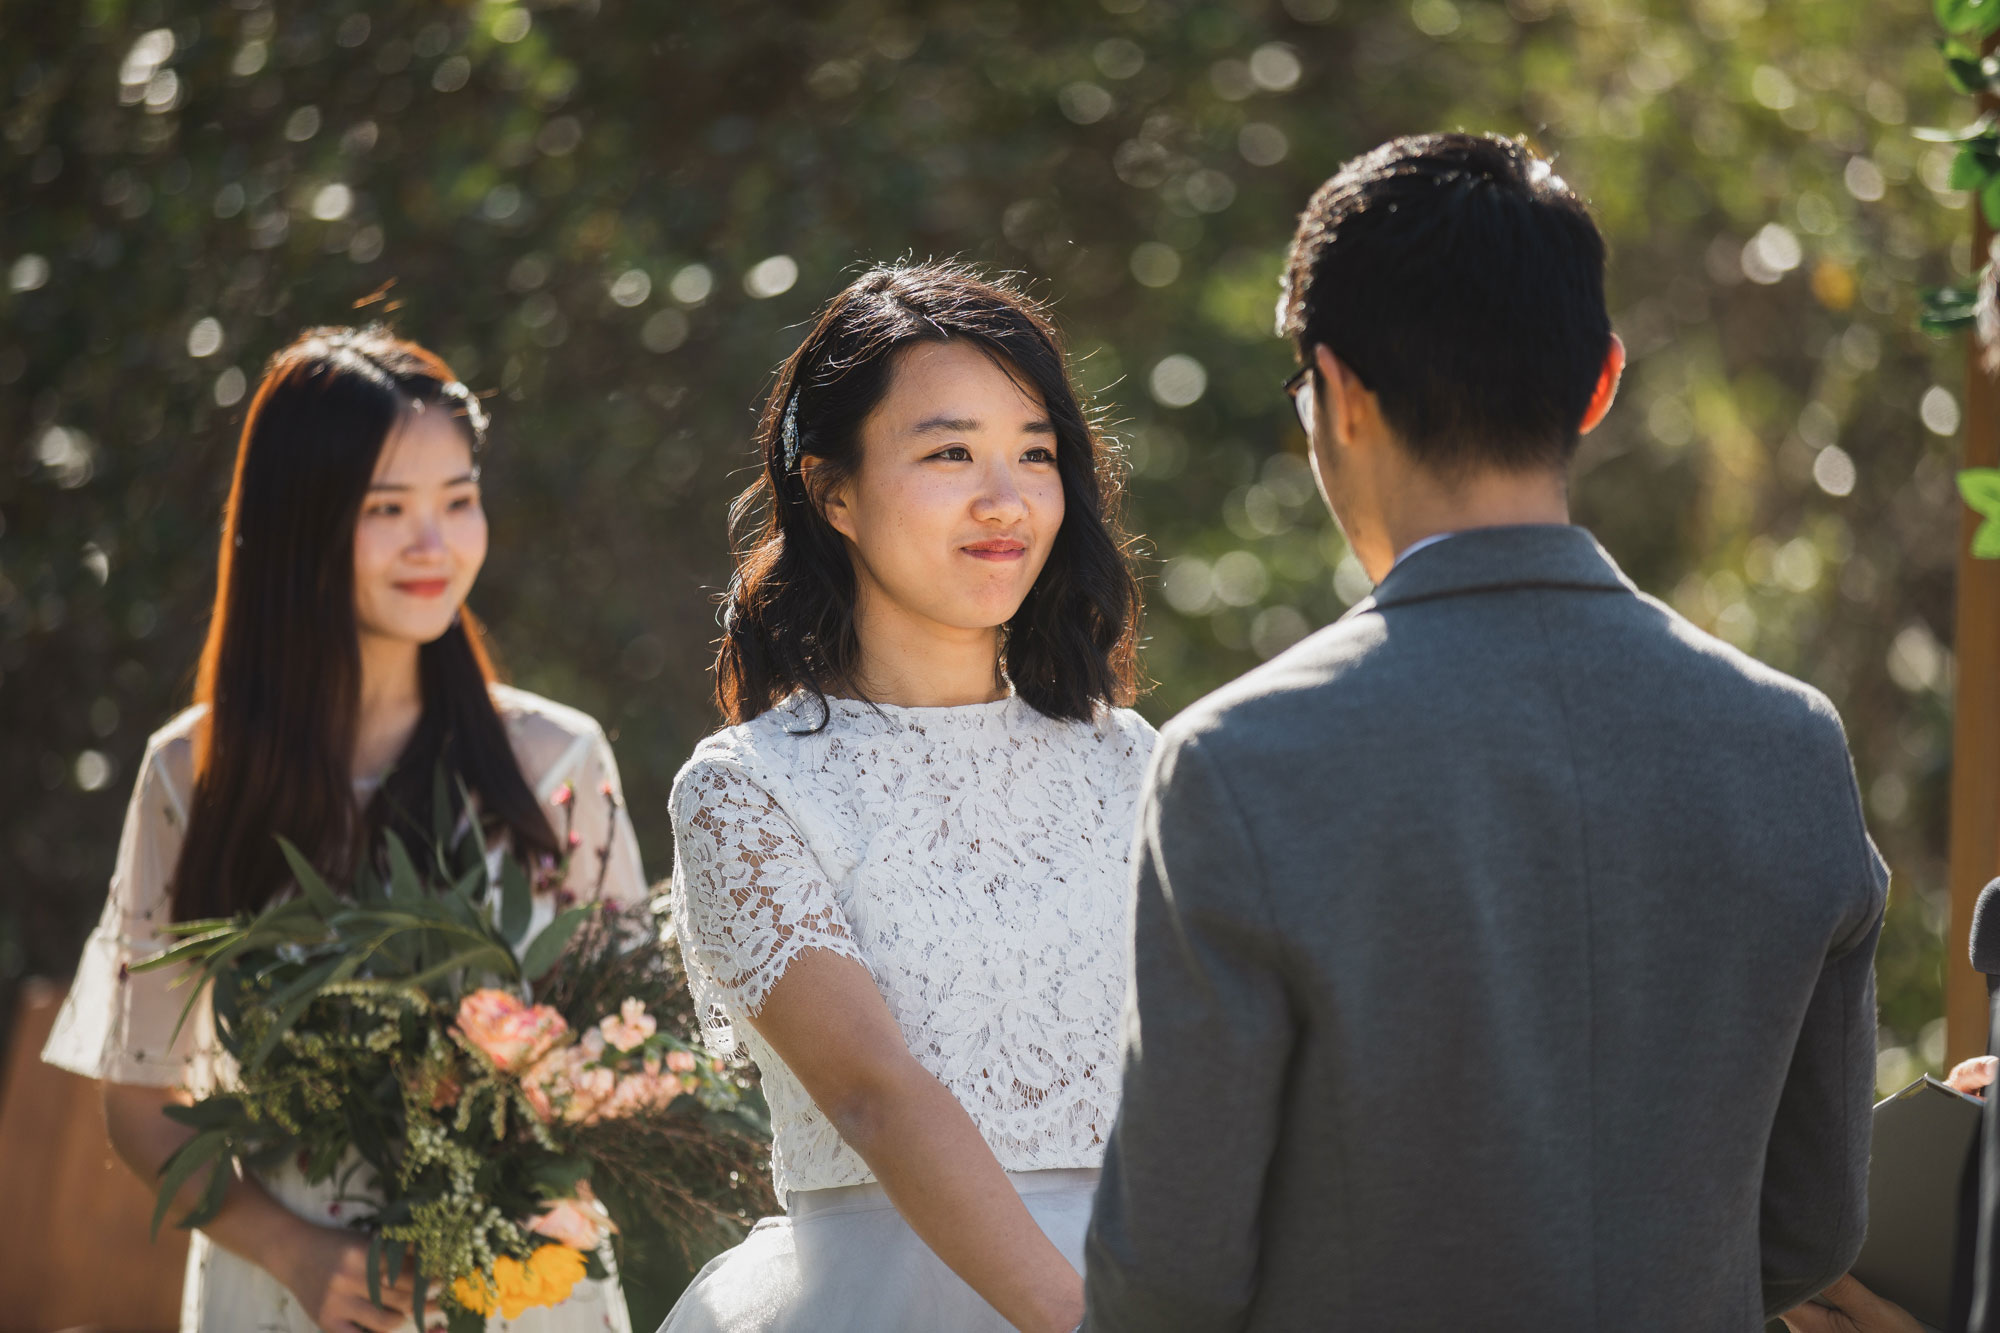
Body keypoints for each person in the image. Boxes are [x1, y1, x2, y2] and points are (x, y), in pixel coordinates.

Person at [1082, 132, 1887, 1332]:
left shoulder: (1241, 764)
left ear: (1336, 395)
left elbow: (1171, 1278)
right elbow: (1811, 1228)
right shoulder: (1789, 742)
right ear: (1599, 382)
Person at [42, 327, 647, 1333]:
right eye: (386, 509)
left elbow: (635, 1051)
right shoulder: (193, 772)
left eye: (458, 499)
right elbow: (141, 1101)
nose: (435, 543)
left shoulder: (556, 763)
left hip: (519, 1287)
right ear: (300, 525)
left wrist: (528, 1172)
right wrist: (296, 1250)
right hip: (288, 1293)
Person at [659, 261, 1153, 1333]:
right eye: (948, 453)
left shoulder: (1133, 761)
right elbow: (871, 1093)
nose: (1004, 497)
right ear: (830, 490)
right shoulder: (747, 789)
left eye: (1034, 452)